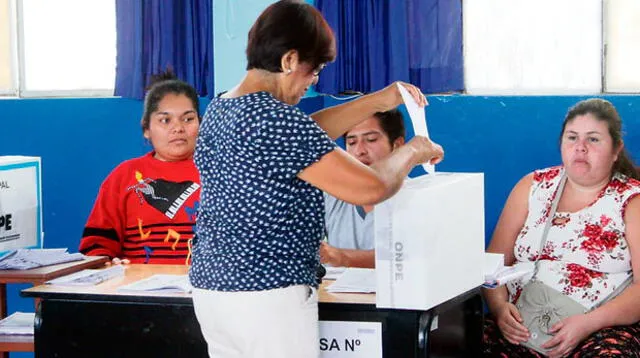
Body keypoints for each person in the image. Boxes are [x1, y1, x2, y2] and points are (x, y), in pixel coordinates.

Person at [188, 1, 444, 357]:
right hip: (268, 297)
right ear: (290, 60)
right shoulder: (278, 121)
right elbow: (372, 186)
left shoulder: (221, 108)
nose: (313, 82)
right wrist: (414, 151)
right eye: (315, 71)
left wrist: (380, 100)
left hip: (213, 292)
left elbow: (309, 134)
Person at [483, 98, 640, 358]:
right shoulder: (532, 186)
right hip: (523, 323)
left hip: (598, 329)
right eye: (572, 138)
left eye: (593, 139)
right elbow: (492, 263)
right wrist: (499, 308)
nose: (580, 148)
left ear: (616, 150)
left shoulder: (631, 200)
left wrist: (588, 323)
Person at [79, 72, 201, 265]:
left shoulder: (218, 172)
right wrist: (106, 263)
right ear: (146, 129)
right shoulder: (124, 175)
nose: (178, 128)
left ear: (200, 124)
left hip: (205, 290)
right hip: (135, 289)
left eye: (188, 119)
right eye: (165, 120)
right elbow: (96, 245)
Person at [321, 109, 406, 268]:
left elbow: (411, 256)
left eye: (371, 140)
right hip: (336, 292)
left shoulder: (416, 198)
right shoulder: (330, 195)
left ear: (397, 145)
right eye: (351, 143)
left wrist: (343, 257)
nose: (359, 151)